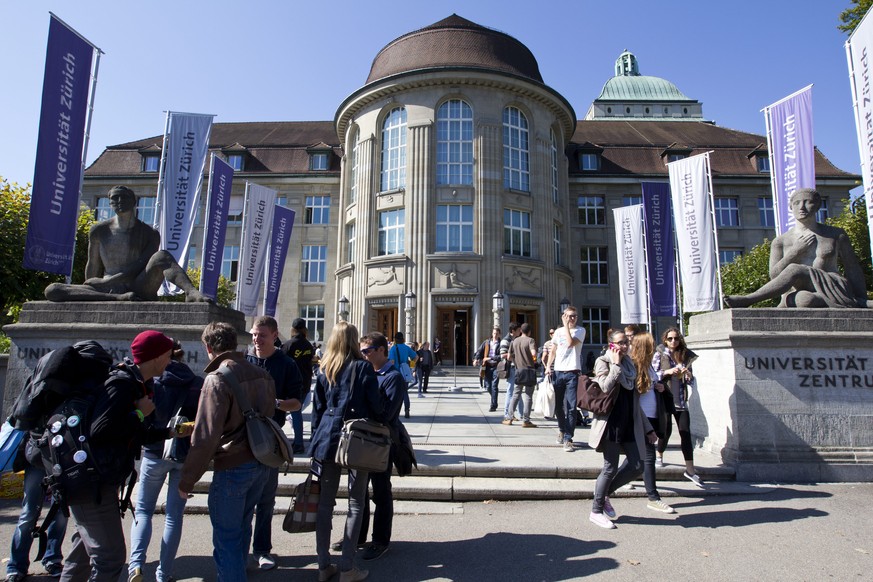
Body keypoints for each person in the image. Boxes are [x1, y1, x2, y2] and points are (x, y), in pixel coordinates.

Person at [62, 331, 175, 582]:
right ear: (156, 357)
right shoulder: (122, 384)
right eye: (168, 355)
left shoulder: (134, 383)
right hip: (93, 482)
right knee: (111, 558)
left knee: (81, 555)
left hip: (96, 480)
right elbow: (100, 430)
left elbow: (129, 433)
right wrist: (140, 414)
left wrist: (168, 431)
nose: (170, 360)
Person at [4, 342, 112, 582]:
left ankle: (16, 566)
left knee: (29, 511)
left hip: (37, 451)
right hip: (61, 458)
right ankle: (51, 560)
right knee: (59, 511)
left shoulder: (49, 377)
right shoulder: (82, 385)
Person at [178, 322, 276, 582]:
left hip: (233, 465)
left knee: (227, 539)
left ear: (209, 347)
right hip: (261, 461)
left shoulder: (217, 378)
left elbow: (206, 436)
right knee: (242, 528)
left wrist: (188, 479)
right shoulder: (261, 373)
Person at [44, 186, 209, 303]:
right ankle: (116, 299)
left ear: (134, 201)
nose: (119, 201)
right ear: (110, 203)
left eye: (124, 197)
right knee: (52, 290)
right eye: (115, 198)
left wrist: (106, 282)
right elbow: (93, 264)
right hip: (107, 289)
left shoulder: (149, 233)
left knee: (162, 256)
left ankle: (191, 292)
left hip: (137, 284)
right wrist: (92, 286)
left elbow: (139, 266)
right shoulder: (98, 230)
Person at [310, 322, 384, 582]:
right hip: (355, 441)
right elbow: (376, 406)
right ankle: (347, 568)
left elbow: (317, 411)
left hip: (327, 440)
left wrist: (314, 444)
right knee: (355, 502)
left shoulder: (324, 368)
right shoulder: (363, 367)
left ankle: (322, 565)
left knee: (325, 505)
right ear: (354, 341)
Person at [725, 188, 872, 309]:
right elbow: (775, 276)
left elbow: (853, 268)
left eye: (807, 202)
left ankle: (749, 299)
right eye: (796, 203)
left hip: (833, 284)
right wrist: (795, 251)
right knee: (804, 300)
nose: (801, 207)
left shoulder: (836, 234)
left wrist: (861, 299)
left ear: (817, 205)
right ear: (791, 207)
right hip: (802, 290)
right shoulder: (781, 241)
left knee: (796, 269)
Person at [128, 340, 202, 582]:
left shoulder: (152, 383)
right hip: (183, 454)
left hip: (154, 451)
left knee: (144, 511)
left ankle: (136, 566)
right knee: (173, 516)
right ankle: (164, 573)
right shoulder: (196, 383)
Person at [245, 316, 302, 570]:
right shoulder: (245, 361)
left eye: (262, 335)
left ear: (275, 335)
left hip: (270, 438)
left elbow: (297, 402)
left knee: (266, 499)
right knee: (244, 499)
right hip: (243, 437)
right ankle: (240, 549)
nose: (257, 340)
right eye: (254, 335)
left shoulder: (286, 364)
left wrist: (276, 403)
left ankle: (262, 550)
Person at [589, 329, 657, 529]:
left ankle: (604, 494)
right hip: (611, 423)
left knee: (637, 464)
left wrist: (648, 428)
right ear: (611, 344)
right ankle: (596, 510)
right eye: (620, 342)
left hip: (629, 422)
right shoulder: (604, 361)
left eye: (626, 342)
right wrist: (616, 364)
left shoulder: (631, 365)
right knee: (610, 467)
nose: (624, 346)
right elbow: (605, 386)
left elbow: (634, 401)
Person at [357, 332, 407, 562]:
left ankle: (380, 540)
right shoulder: (365, 373)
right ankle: (357, 536)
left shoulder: (393, 377)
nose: (363, 355)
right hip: (361, 440)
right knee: (358, 492)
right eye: (361, 351)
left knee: (380, 491)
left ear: (380, 350)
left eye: (366, 351)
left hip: (381, 443)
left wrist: (367, 396)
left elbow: (387, 414)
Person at [654, 328, 703, 487]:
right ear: (665, 340)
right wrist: (668, 371)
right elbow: (653, 375)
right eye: (670, 339)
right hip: (665, 398)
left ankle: (690, 470)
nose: (673, 341)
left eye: (676, 338)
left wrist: (688, 375)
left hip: (681, 401)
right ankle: (659, 454)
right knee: (666, 430)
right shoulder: (660, 354)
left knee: (685, 433)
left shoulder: (685, 356)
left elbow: (691, 381)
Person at [632, 332, 675, 514]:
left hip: (654, 415)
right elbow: (634, 397)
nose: (655, 347)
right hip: (643, 418)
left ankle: (604, 489)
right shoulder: (635, 367)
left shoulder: (649, 367)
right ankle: (653, 497)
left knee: (634, 460)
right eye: (651, 345)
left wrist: (660, 387)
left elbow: (653, 387)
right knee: (648, 457)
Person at [545, 306, 586, 452]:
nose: (572, 318)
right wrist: (548, 366)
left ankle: (568, 438)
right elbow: (554, 350)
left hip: (572, 372)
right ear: (564, 316)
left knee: (571, 406)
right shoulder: (558, 332)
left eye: (574, 316)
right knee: (558, 406)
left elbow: (570, 343)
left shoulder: (580, 331)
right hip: (558, 371)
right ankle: (562, 430)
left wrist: (566, 327)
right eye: (569, 316)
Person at [282, 317, 316, 454]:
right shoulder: (309, 345)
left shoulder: (288, 345)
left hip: (291, 383)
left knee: (293, 413)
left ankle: (298, 443)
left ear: (293, 329)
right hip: (305, 382)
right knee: (297, 412)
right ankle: (298, 442)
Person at [503, 323, 538, 428]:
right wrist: (533, 359)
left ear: (521, 331)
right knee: (528, 396)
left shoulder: (514, 341)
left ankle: (509, 418)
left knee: (516, 394)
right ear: (529, 331)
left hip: (519, 370)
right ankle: (526, 420)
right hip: (529, 370)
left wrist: (516, 357)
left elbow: (509, 357)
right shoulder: (530, 340)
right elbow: (534, 354)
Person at [473, 328, 502, 412]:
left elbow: (501, 356)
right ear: (492, 334)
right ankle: (494, 398)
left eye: (497, 333)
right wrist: (476, 359)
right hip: (487, 366)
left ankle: (493, 405)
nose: (495, 335)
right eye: (494, 333)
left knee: (494, 386)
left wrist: (491, 357)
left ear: (499, 334)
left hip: (496, 366)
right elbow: (479, 351)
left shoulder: (501, 344)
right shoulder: (487, 342)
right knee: (488, 386)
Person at [389, 332, 417, 417]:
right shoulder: (406, 348)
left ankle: (395, 411)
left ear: (395, 340)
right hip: (405, 373)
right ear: (403, 339)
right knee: (405, 392)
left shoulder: (393, 348)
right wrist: (411, 366)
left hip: (396, 373)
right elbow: (416, 357)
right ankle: (407, 409)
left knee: (395, 393)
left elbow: (392, 361)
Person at [499, 323, 523, 421]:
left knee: (518, 391)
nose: (520, 332)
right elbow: (502, 355)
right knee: (511, 391)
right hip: (511, 368)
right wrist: (516, 353)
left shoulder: (516, 340)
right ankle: (507, 413)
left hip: (517, 367)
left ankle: (520, 413)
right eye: (518, 330)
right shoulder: (506, 340)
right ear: (513, 331)